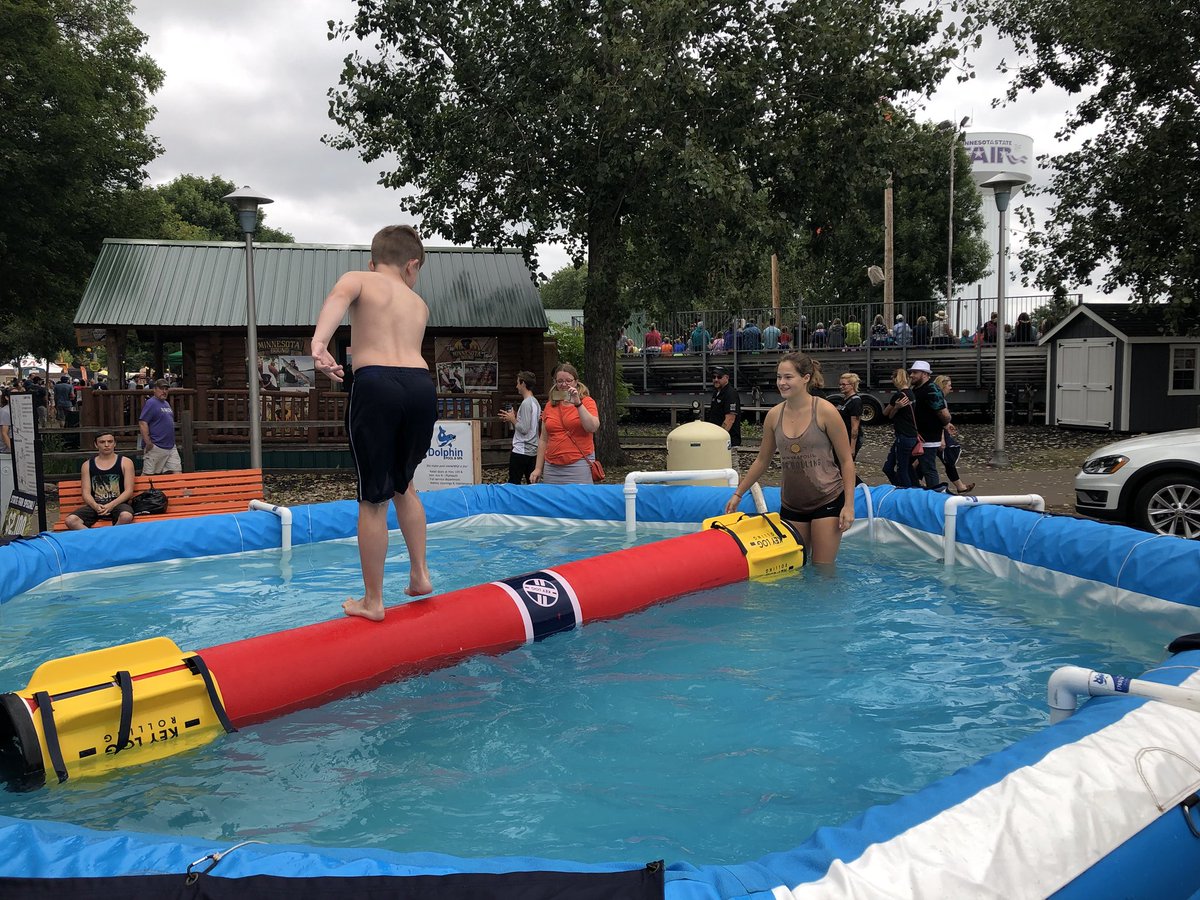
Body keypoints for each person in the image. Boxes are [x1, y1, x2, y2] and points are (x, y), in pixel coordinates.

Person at [311, 224, 438, 621]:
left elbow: (337, 299)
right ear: (411, 265)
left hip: (377, 384)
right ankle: (420, 575)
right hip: (421, 386)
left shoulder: (359, 279)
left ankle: (373, 601)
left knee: (372, 499)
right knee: (405, 484)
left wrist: (319, 343)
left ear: (373, 262)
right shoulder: (419, 303)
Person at [724, 354, 855, 565]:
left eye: (788, 377)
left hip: (827, 498)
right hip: (792, 503)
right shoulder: (774, 416)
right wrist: (738, 493)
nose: (782, 383)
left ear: (805, 378)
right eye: (779, 377)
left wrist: (849, 506)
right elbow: (762, 460)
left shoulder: (825, 411)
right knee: (796, 568)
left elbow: (847, 461)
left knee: (822, 570)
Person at [531, 363, 600, 484]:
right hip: (552, 466)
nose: (564, 384)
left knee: (578, 495)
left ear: (576, 382)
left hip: (578, 463)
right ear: (555, 382)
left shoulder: (587, 401)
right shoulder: (550, 405)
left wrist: (578, 404)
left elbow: (592, 427)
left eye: (568, 381)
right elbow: (543, 439)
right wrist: (538, 468)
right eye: (560, 381)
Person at [63, 432, 136, 529]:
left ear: (114, 443)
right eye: (102, 442)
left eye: (110, 441)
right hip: (96, 505)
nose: (106, 445)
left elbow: (129, 491)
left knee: (126, 516)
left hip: (119, 504)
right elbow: (86, 493)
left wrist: (111, 505)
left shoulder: (126, 462)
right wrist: (95, 506)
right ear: (96, 444)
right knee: (70, 520)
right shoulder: (87, 465)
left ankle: (110, 536)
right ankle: (94, 537)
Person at [907, 360, 952, 490]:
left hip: (929, 437)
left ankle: (934, 493)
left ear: (925, 374)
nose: (911, 375)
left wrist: (946, 423)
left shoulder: (931, 389)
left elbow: (943, 412)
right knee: (919, 466)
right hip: (919, 436)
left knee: (928, 467)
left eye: (915, 372)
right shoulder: (916, 389)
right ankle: (921, 490)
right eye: (911, 372)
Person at [934, 375, 974, 495]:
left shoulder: (938, 399)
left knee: (945, 459)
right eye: (949, 385)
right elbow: (939, 420)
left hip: (938, 433)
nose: (950, 388)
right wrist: (942, 438)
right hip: (937, 434)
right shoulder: (940, 401)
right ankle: (959, 486)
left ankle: (960, 486)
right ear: (943, 386)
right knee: (946, 458)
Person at [499, 370, 541, 484]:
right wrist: (515, 417)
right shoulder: (535, 402)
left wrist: (512, 419)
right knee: (532, 484)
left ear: (523, 383)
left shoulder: (526, 403)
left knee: (513, 483)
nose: (516, 386)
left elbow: (524, 429)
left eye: (518, 383)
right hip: (532, 450)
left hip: (522, 450)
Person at [881, 368, 918, 488]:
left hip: (903, 435)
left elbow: (886, 413)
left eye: (893, 378)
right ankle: (911, 488)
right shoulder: (911, 394)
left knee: (902, 468)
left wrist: (896, 407)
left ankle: (906, 491)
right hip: (911, 435)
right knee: (899, 466)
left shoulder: (899, 395)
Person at [139, 379, 183, 474]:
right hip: (156, 445)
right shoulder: (151, 403)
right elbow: (143, 422)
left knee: (177, 473)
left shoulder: (166, 403)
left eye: (166, 389)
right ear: (154, 389)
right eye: (161, 389)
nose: (164, 391)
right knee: (148, 474)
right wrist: (148, 443)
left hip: (170, 446)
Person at [705, 365, 741, 447]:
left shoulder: (731, 394)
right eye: (714, 377)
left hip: (728, 441)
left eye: (719, 377)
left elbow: (730, 419)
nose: (716, 379)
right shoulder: (716, 392)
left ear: (726, 377)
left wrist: (719, 437)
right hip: (717, 439)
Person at [835, 372, 864, 463]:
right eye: (840, 384)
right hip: (842, 437)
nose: (841, 387)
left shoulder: (855, 402)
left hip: (850, 439)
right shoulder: (844, 399)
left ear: (852, 385)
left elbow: (855, 427)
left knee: (845, 464)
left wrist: (852, 447)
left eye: (844, 385)